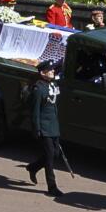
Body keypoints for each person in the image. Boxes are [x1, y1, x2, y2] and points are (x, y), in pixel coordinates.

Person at [22, 59, 64, 197]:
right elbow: (35, 111)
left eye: (53, 69)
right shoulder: (38, 89)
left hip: (53, 126)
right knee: (50, 156)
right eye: (50, 70)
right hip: (44, 127)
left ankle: (33, 167)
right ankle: (52, 187)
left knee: (55, 154)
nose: (53, 71)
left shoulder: (52, 85)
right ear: (42, 73)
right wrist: (37, 129)